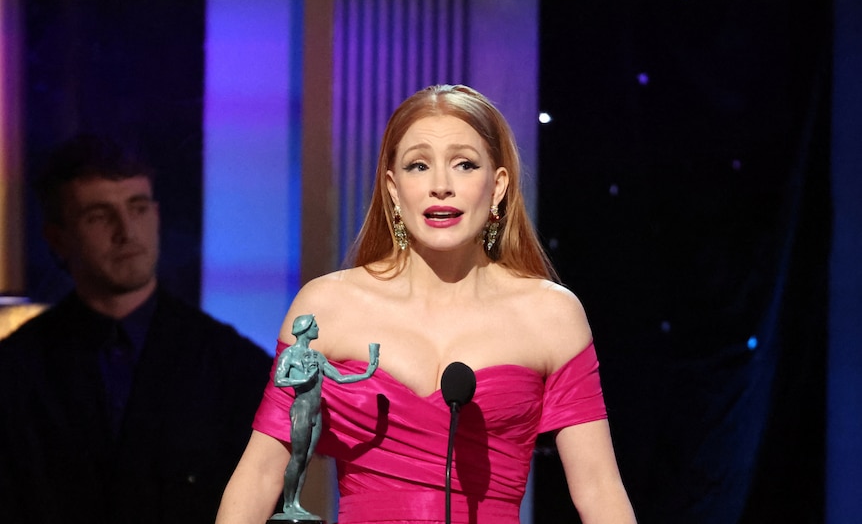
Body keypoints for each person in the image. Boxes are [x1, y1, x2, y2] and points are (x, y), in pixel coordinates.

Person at [216, 84, 637, 524]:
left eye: (464, 165)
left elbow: (599, 490)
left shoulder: (551, 316)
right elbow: (262, 473)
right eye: (419, 165)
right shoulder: (328, 306)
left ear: (497, 188)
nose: (441, 186)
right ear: (394, 190)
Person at [0, 134, 272, 524]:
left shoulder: (231, 365)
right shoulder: (16, 370)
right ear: (58, 239)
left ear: (157, 216)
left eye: (138, 208)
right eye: (98, 216)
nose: (126, 232)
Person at [270, 314, 379, 521]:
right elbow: (279, 379)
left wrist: (367, 372)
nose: (318, 328)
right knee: (298, 457)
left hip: (315, 411)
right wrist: (303, 378)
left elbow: (339, 377)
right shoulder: (290, 355)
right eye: (315, 325)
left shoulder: (317, 357)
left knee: (307, 459)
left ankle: (296, 504)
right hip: (301, 408)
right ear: (306, 329)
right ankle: (288, 504)